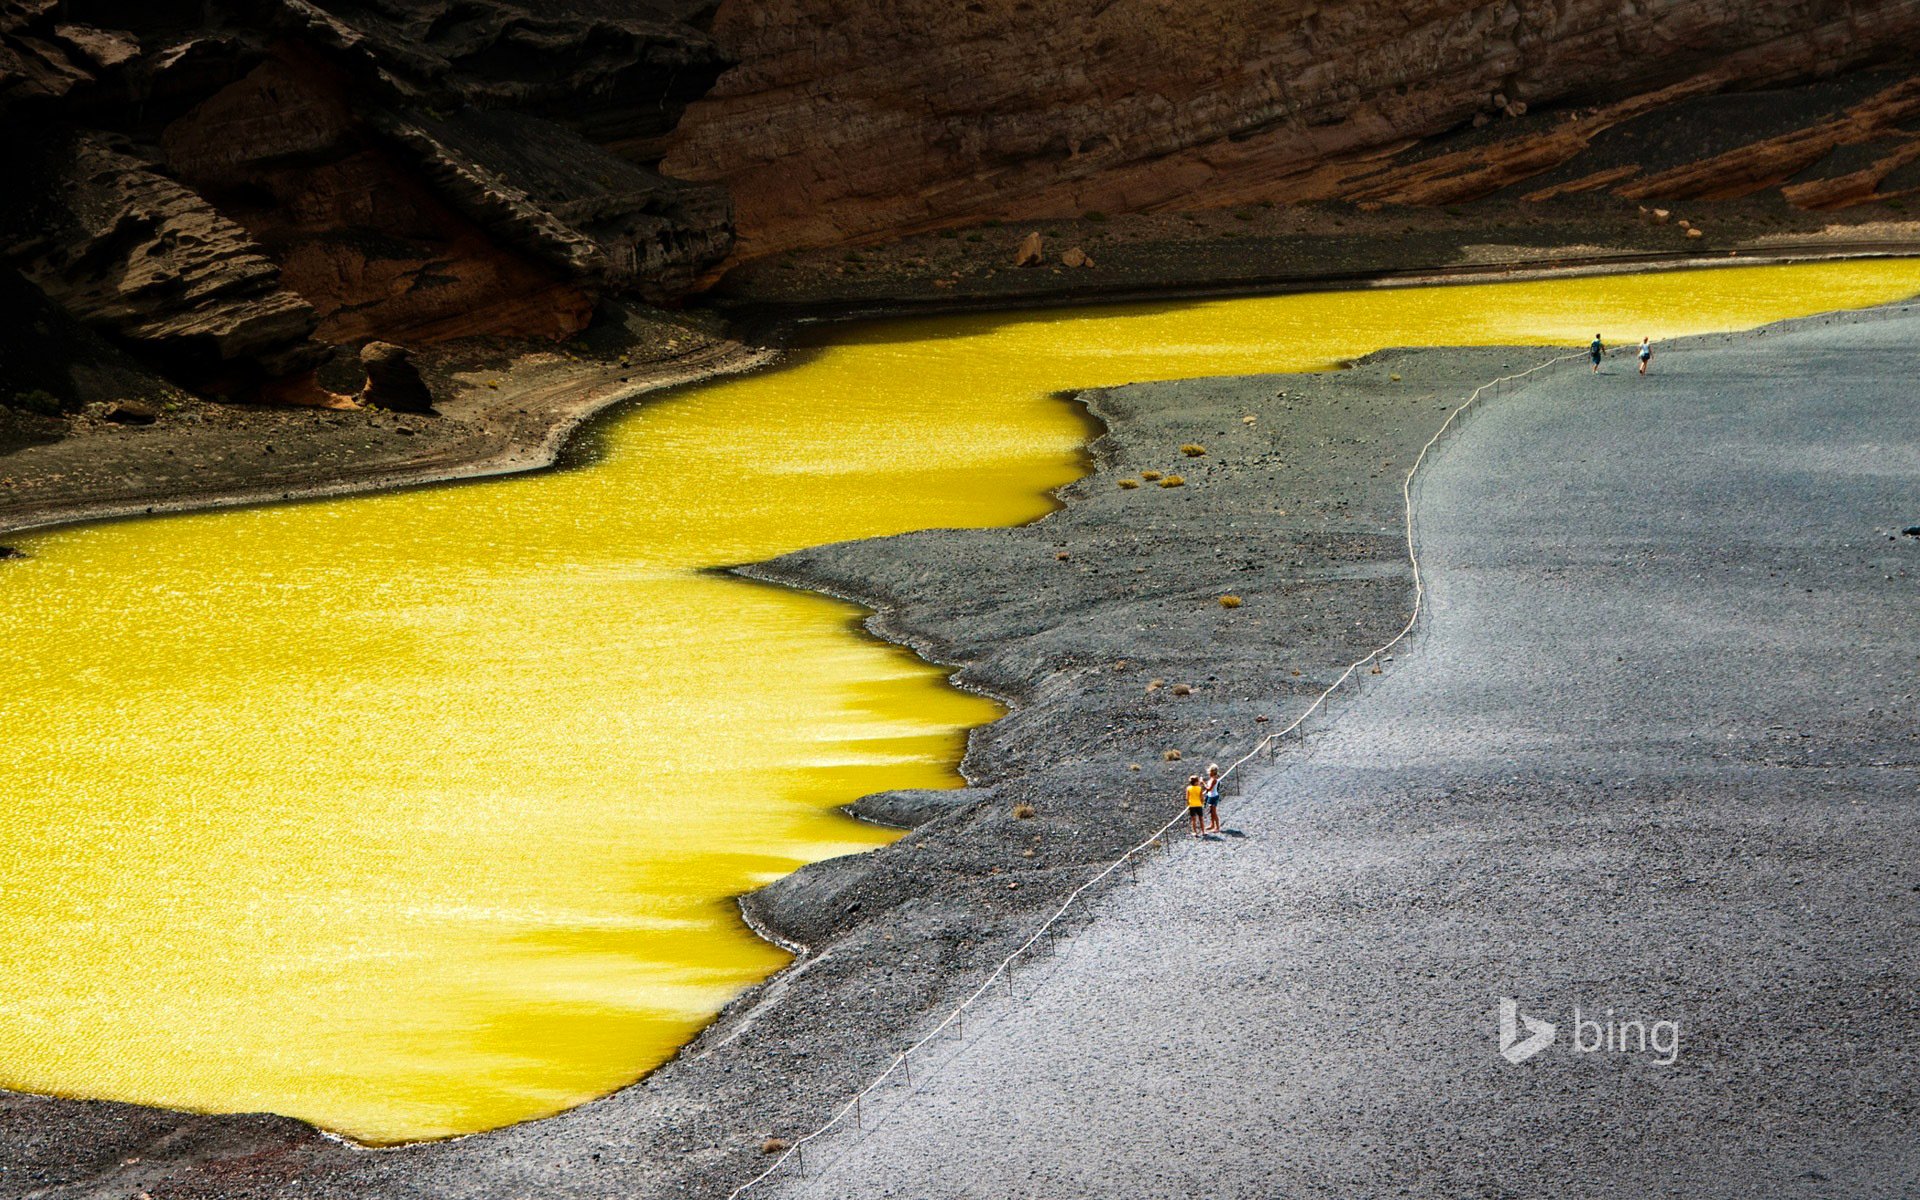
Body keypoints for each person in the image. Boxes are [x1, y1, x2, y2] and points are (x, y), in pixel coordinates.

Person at [1203, 764, 1222, 833]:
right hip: (1211, 796)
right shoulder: (1212, 779)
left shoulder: (1214, 780)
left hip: (1214, 796)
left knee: (1214, 812)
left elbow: (1209, 788)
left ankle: (1217, 827)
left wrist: (1203, 783)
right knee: (1211, 812)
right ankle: (1212, 825)